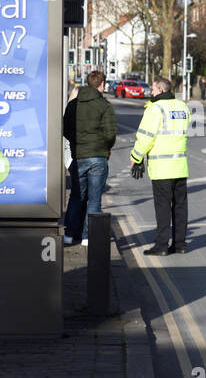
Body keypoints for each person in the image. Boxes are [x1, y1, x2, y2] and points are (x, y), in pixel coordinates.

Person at [130, 76, 191, 255]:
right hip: (180, 166)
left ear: (161, 90)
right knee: (180, 207)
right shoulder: (182, 107)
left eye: (154, 89)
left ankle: (161, 246)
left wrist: (136, 157)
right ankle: (180, 244)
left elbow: (145, 137)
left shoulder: (154, 109)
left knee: (163, 208)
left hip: (162, 168)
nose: (151, 92)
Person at [63, 70, 117, 246]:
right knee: (94, 198)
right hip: (98, 157)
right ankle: (87, 237)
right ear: (102, 85)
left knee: (76, 197)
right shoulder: (105, 105)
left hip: (78, 156)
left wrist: (75, 144)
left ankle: (69, 235)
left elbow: (65, 129)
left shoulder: (73, 105)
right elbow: (110, 135)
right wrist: (105, 148)